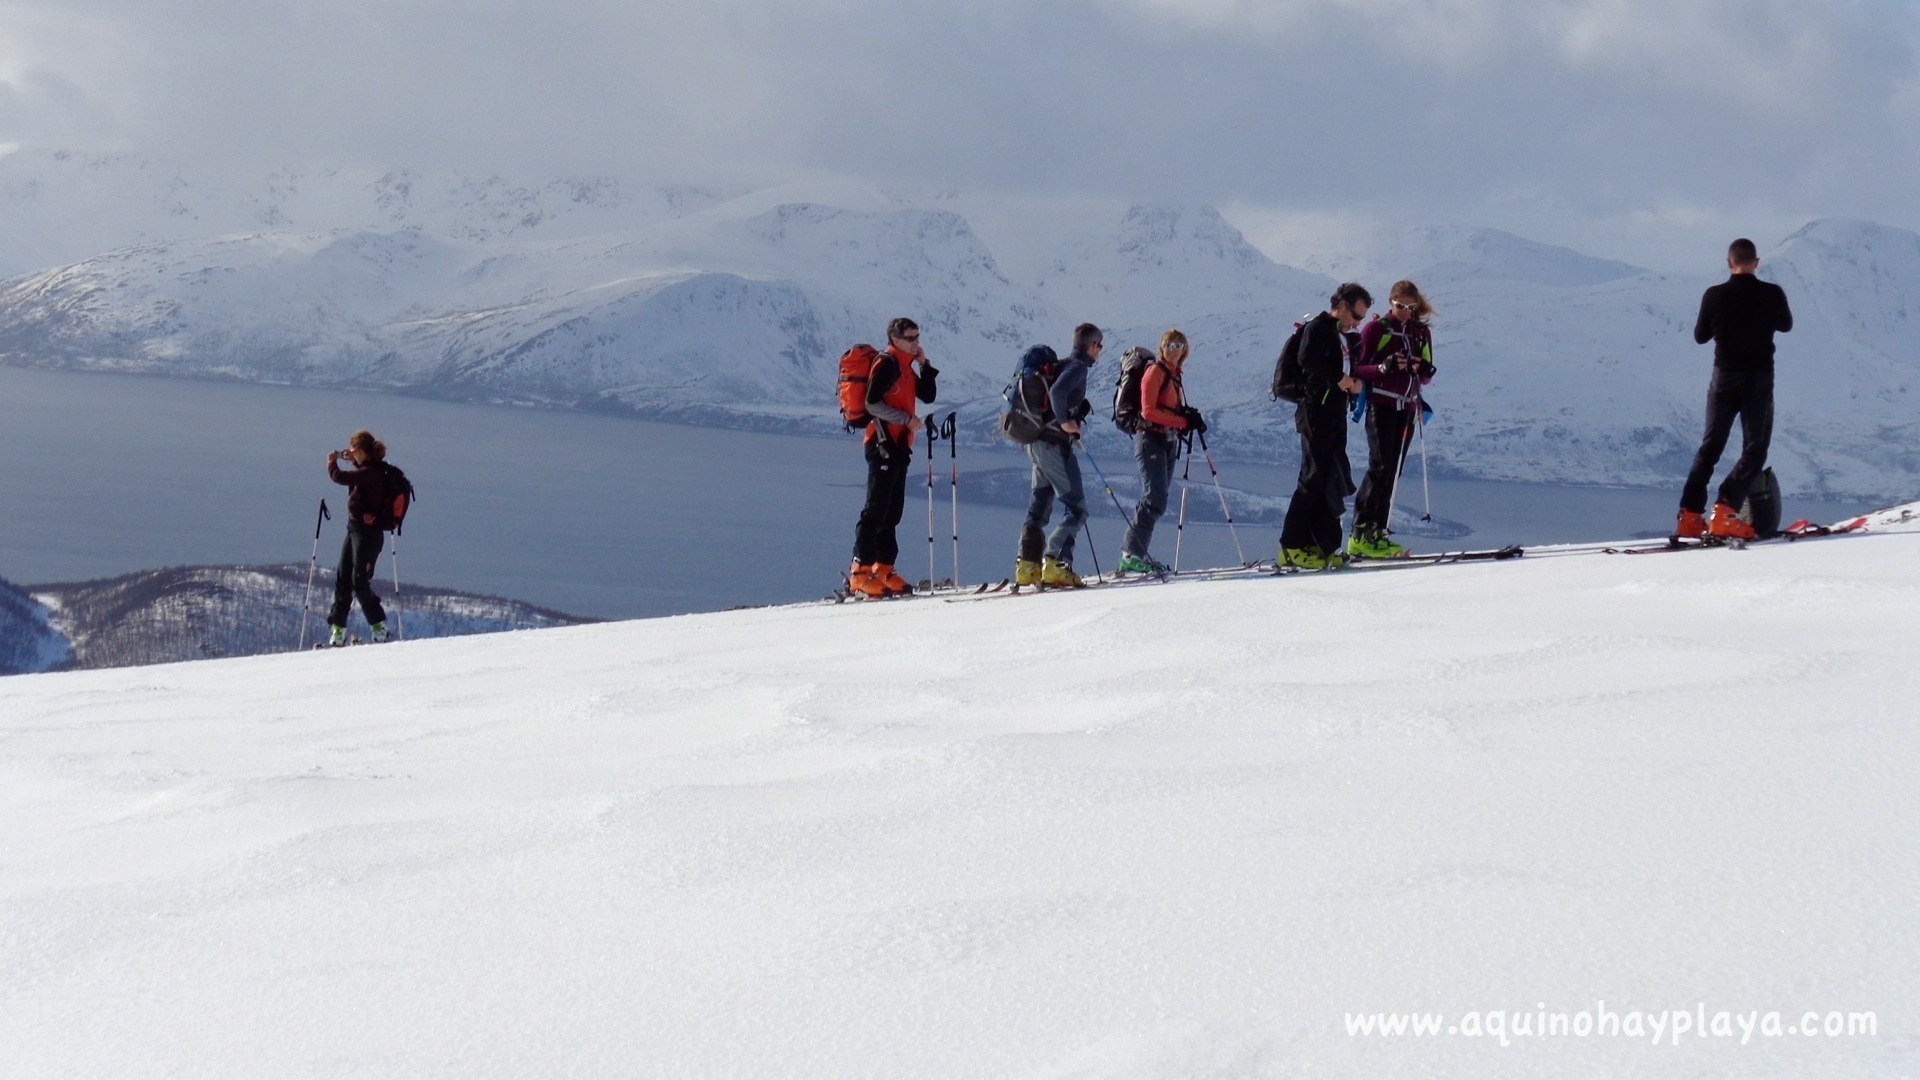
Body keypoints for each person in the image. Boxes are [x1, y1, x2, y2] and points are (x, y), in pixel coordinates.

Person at [1678, 238, 1793, 541]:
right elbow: (1786, 325)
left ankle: (1689, 516)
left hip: (1723, 379)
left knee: (1710, 447)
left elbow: (1701, 336)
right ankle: (1725, 510)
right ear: (1756, 263)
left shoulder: (1714, 295)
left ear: (1729, 263)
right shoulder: (1771, 293)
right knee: (1754, 450)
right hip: (1757, 379)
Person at [1277, 283, 1371, 570]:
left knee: (1330, 477)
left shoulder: (1340, 335)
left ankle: (1323, 545)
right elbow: (1308, 361)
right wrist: (1339, 379)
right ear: (1341, 306)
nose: (1358, 323)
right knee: (1313, 477)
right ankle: (1291, 546)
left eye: (1362, 319)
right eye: (1356, 316)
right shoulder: (1318, 328)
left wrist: (1352, 384)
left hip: (1333, 411)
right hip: (1315, 410)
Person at [849, 318, 939, 597]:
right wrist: (905, 419)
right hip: (882, 444)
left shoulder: (906, 366)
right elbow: (871, 403)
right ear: (895, 339)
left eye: (917, 336)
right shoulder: (887, 363)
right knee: (876, 509)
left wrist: (924, 365)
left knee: (892, 511)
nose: (916, 342)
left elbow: (928, 395)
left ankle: (884, 568)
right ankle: (860, 573)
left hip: (898, 444)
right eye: (910, 338)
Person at [1348, 281, 1436, 559]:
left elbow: (1426, 377)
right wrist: (1384, 367)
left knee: (1393, 471)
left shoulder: (1420, 333)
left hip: (1408, 407)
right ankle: (1360, 532)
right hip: (1381, 404)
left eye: (1411, 308)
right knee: (1380, 466)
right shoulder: (1377, 329)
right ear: (1391, 302)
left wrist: (1424, 369)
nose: (1405, 312)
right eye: (1400, 306)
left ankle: (1379, 530)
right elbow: (1358, 367)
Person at [1016, 323, 1100, 588]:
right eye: (1100, 346)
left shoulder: (1062, 364)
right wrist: (1065, 422)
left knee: (1039, 506)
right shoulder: (1077, 368)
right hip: (1054, 445)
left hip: (1037, 443)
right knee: (1077, 508)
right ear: (1093, 345)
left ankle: (1027, 566)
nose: (1100, 351)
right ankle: (1055, 563)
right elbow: (1057, 392)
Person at [1119, 329, 1205, 575]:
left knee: (1157, 498)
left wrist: (1185, 416)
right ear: (1162, 347)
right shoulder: (1155, 372)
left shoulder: (1174, 375)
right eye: (1169, 344)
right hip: (1150, 439)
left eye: (1179, 345)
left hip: (1166, 441)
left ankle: (1134, 554)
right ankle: (1131, 554)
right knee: (1154, 498)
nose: (1174, 349)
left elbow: (1166, 409)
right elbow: (1148, 412)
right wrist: (1183, 422)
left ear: (1184, 349)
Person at [324, 429, 398, 645]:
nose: (351, 453)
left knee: (359, 581)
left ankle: (378, 626)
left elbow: (342, 478)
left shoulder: (372, 473)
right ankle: (338, 629)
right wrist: (352, 460)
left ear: (363, 451)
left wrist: (332, 463)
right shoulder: (369, 470)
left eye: (355, 450)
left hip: (368, 535)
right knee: (343, 576)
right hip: (355, 529)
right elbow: (359, 475)